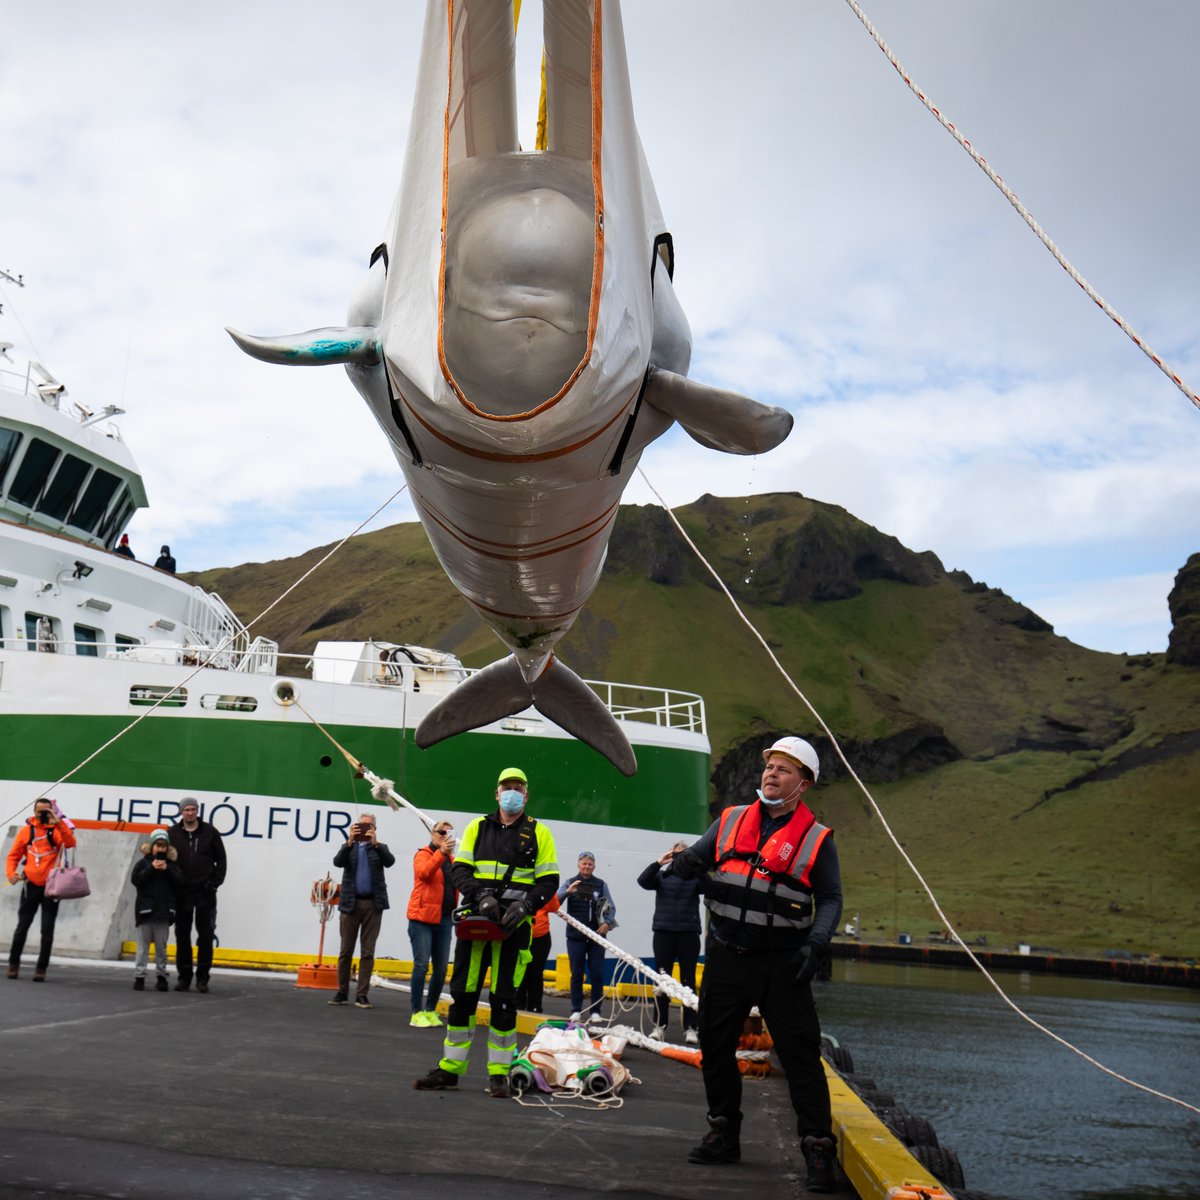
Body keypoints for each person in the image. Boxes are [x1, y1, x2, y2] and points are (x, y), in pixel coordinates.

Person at [667, 736, 842, 1192]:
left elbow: (830, 898)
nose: (771, 774)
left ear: (802, 784)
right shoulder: (728, 821)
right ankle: (724, 1132)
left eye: (784, 769)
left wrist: (816, 943)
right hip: (727, 954)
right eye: (769, 767)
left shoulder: (817, 839)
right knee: (715, 1045)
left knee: (802, 1057)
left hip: (783, 962)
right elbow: (695, 860)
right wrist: (674, 868)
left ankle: (818, 1148)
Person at [413, 767, 558, 1098]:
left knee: (504, 999)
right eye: (506, 787)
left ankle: (499, 1074)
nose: (511, 793)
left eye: (517, 787)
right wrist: (482, 897)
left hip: (514, 928)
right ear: (496, 794)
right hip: (478, 923)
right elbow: (461, 869)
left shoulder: (541, 833)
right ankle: (450, 1070)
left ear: (526, 794)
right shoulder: (477, 827)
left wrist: (525, 907)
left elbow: (549, 880)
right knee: (463, 996)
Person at [637, 841, 702, 1045]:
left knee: (688, 980)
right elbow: (643, 881)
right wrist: (658, 863)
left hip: (688, 933)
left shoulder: (695, 878)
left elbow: (711, 886)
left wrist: (697, 866)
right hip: (664, 932)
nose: (679, 858)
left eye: (684, 855)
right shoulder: (662, 875)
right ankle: (659, 1025)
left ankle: (691, 1027)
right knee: (662, 981)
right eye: (676, 855)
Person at [5, 797, 77, 981]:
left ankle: (41, 968)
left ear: (52, 811)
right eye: (40, 811)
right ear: (34, 812)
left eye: (47, 811)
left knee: (47, 928)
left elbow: (70, 843)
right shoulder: (26, 831)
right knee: (22, 927)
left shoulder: (58, 831)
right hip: (30, 885)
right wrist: (11, 873)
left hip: (51, 887)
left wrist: (58, 823)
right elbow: (13, 855)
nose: (43, 815)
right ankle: (13, 963)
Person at [330, 810, 395, 1008]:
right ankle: (342, 991)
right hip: (350, 903)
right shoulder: (349, 847)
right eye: (361, 826)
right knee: (345, 951)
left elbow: (390, 861)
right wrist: (349, 841)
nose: (365, 829)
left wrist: (375, 843)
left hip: (373, 905)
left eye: (369, 826)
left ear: (374, 829)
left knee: (367, 952)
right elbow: (337, 862)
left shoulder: (380, 847)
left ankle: (362, 994)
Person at [167, 798, 227, 993]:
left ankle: (202, 979)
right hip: (182, 893)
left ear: (197, 811)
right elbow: (167, 861)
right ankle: (184, 978)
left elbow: (222, 860)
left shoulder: (210, 832)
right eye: (187, 810)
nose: (190, 813)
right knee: (182, 936)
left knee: (206, 936)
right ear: (181, 812)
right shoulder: (172, 833)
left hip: (205, 893)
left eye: (193, 809)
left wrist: (213, 884)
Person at [557, 851, 617, 1023]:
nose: (587, 866)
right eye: (584, 863)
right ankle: (576, 1009)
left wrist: (607, 922)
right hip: (576, 936)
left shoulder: (601, 884)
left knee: (597, 974)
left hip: (596, 936)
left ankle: (595, 1011)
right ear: (578, 865)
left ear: (594, 866)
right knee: (576, 973)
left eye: (590, 864)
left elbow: (611, 907)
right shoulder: (570, 882)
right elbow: (554, 902)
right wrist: (568, 892)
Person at [407, 819, 457, 1027]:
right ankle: (416, 1012)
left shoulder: (453, 860)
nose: (444, 835)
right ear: (432, 833)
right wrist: (441, 853)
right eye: (440, 832)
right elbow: (424, 873)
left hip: (445, 919)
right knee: (421, 965)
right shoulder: (423, 855)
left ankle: (430, 1010)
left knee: (441, 968)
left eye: (448, 833)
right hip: (422, 919)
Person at [129, 829, 184, 991]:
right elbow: (136, 880)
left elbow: (180, 883)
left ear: (168, 848)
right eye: (157, 846)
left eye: (163, 846)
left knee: (161, 947)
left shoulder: (172, 866)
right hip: (145, 911)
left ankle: (161, 976)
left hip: (163, 912)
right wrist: (151, 868)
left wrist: (167, 870)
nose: (160, 849)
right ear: (152, 846)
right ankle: (139, 976)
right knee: (142, 947)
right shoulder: (143, 863)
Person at [513, 891, 559, 1013]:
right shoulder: (521, 886)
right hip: (520, 934)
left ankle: (535, 1007)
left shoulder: (545, 887)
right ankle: (519, 1005)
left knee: (535, 973)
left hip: (540, 937)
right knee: (520, 972)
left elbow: (554, 907)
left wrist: (550, 891)